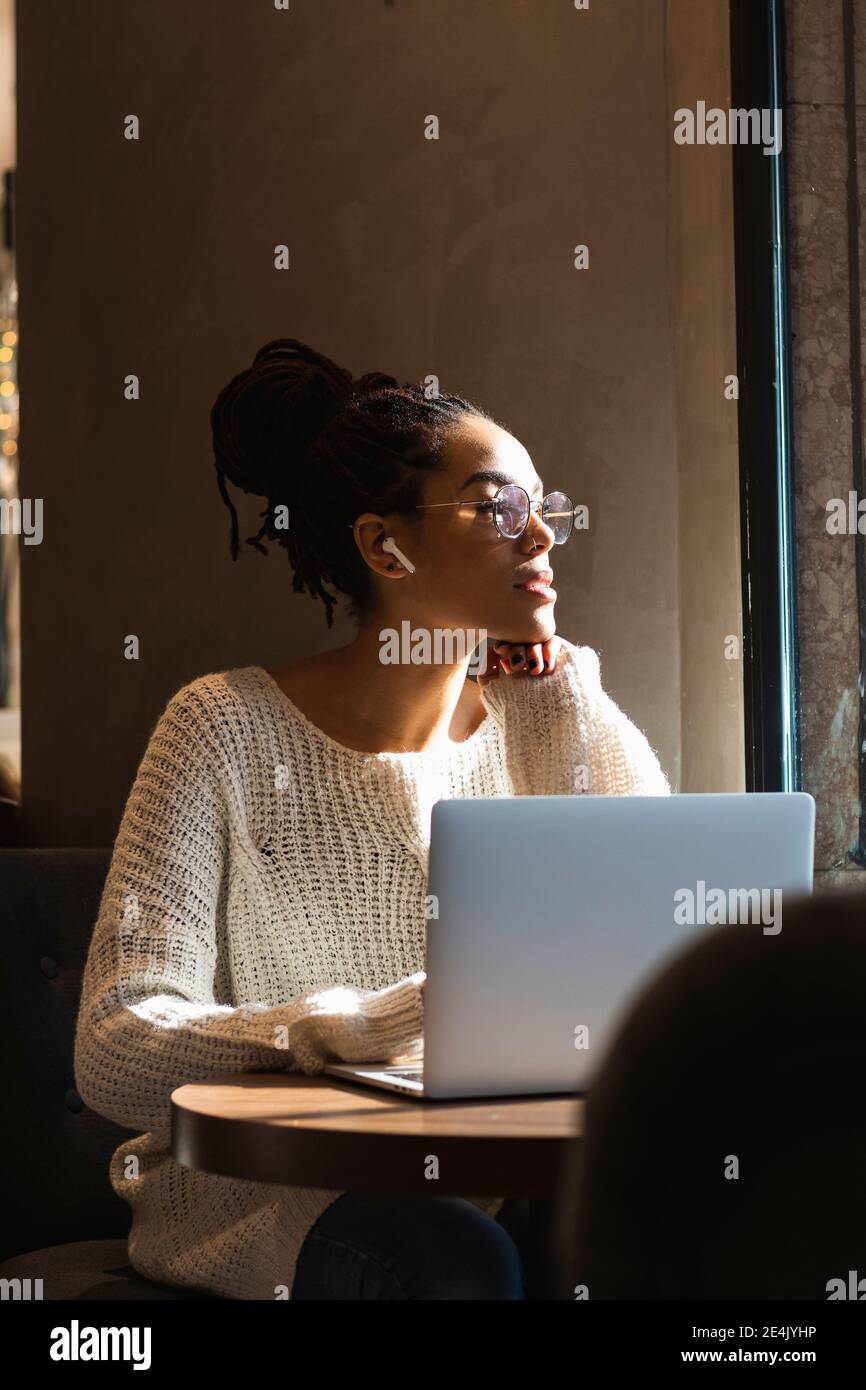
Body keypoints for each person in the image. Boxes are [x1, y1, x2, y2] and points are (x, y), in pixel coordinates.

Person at [74, 338, 670, 1300]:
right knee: (455, 1262)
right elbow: (112, 1049)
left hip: (497, 1172)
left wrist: (538, 675)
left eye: (544, 510)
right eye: (497, 509)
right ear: (383, 545)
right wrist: (344, 1031)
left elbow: (649, 946)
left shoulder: (554, 704)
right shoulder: (220, 726)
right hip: (272, 1193)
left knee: (654, 1219)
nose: (542, 538)